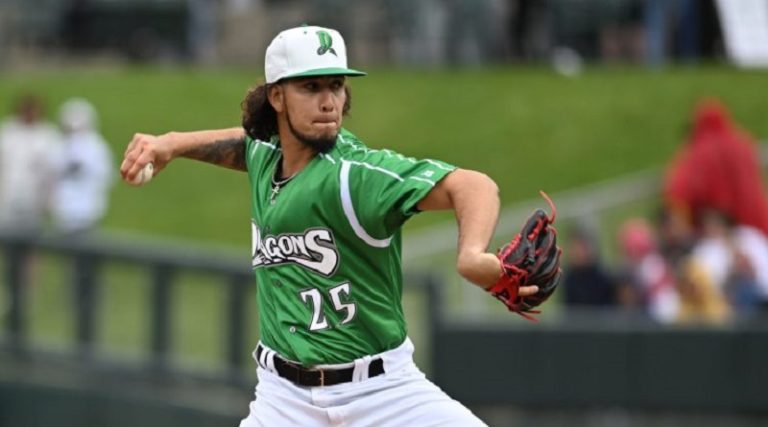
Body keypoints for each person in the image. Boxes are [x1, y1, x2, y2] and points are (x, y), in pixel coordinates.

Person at [120, 25, 545, 426]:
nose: (328, 101)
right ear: (277, 98)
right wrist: (170, 144)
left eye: (336, 85)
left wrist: (471, 254)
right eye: (311, 87)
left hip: (383, 395)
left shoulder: (355, 176)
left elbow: (473, 185)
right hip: (281, 399)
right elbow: (245, 144)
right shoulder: (267, 157)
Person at [51, 98, 114, 236]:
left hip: (89, 211)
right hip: (64, 212)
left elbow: (105, 176)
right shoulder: (59, 145)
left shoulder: (96, 147)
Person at [0, 94, 61, 233]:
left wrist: (50, 200)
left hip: (34, 198)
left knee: (32, 238)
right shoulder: (8, 131)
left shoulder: (47, 135)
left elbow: (52, 170)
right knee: (8, 238)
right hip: (9, 195)